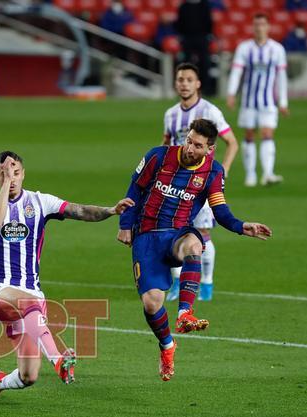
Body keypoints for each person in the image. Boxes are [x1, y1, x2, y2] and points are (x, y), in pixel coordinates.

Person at [0, 151, 134, 403]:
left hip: (32, 294)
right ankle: (58, 360)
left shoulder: (40, 201)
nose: (12, 178)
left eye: (16, 173)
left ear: (24, 174)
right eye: (5, 174)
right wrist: (5, 186)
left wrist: (110, 211)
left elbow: (79, 210)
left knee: (28, 376)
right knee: (28, 303)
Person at [117, 119, 271, 381]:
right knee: (152, 304)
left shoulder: (213, 172)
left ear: (209, 149)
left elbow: (220, 210)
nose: (189, 148)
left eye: (197, 145)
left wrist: (241, 226)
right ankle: (167, 345)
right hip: (146, 235)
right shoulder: (158, 156)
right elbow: (135, 188)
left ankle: (185, 313)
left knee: (195, 245)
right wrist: (124, 225)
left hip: (178, 233)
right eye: (188, 140)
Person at [162, 62, 239, 302]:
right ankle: (176, 283)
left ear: (197, 84)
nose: (183, 84)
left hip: (202, 184)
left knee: (203, 234)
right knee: (171, 233)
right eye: (180, 79)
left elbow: (232, 143)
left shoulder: (211, 111)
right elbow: (166, 146)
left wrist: (222, 171)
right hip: (174, 184)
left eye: (188, 80)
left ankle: (206, 283)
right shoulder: (170, 114)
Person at [227, 13, 289, 187]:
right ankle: (251, 175)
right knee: (249, 136)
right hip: (248, 101)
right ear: (253, 27)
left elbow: (281, 77)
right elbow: (237, 72)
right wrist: (231, 93)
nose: (259, 27)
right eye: (256, 24)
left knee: (268, 134)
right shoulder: (244, 48)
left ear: (268, 27)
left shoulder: (277, 49)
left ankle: (268, 174)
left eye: (262, 24)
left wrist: (283, 102)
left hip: (268, 102)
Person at [175, 0, 215, 95]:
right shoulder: (183, 6)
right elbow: (180, 23)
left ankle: (205, 88)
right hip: (187, 38)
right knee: (186, 64)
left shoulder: (204, 5)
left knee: (205, 63)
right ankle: (185, 88)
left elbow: (209, 23)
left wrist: (207, 36)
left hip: (202, 38)